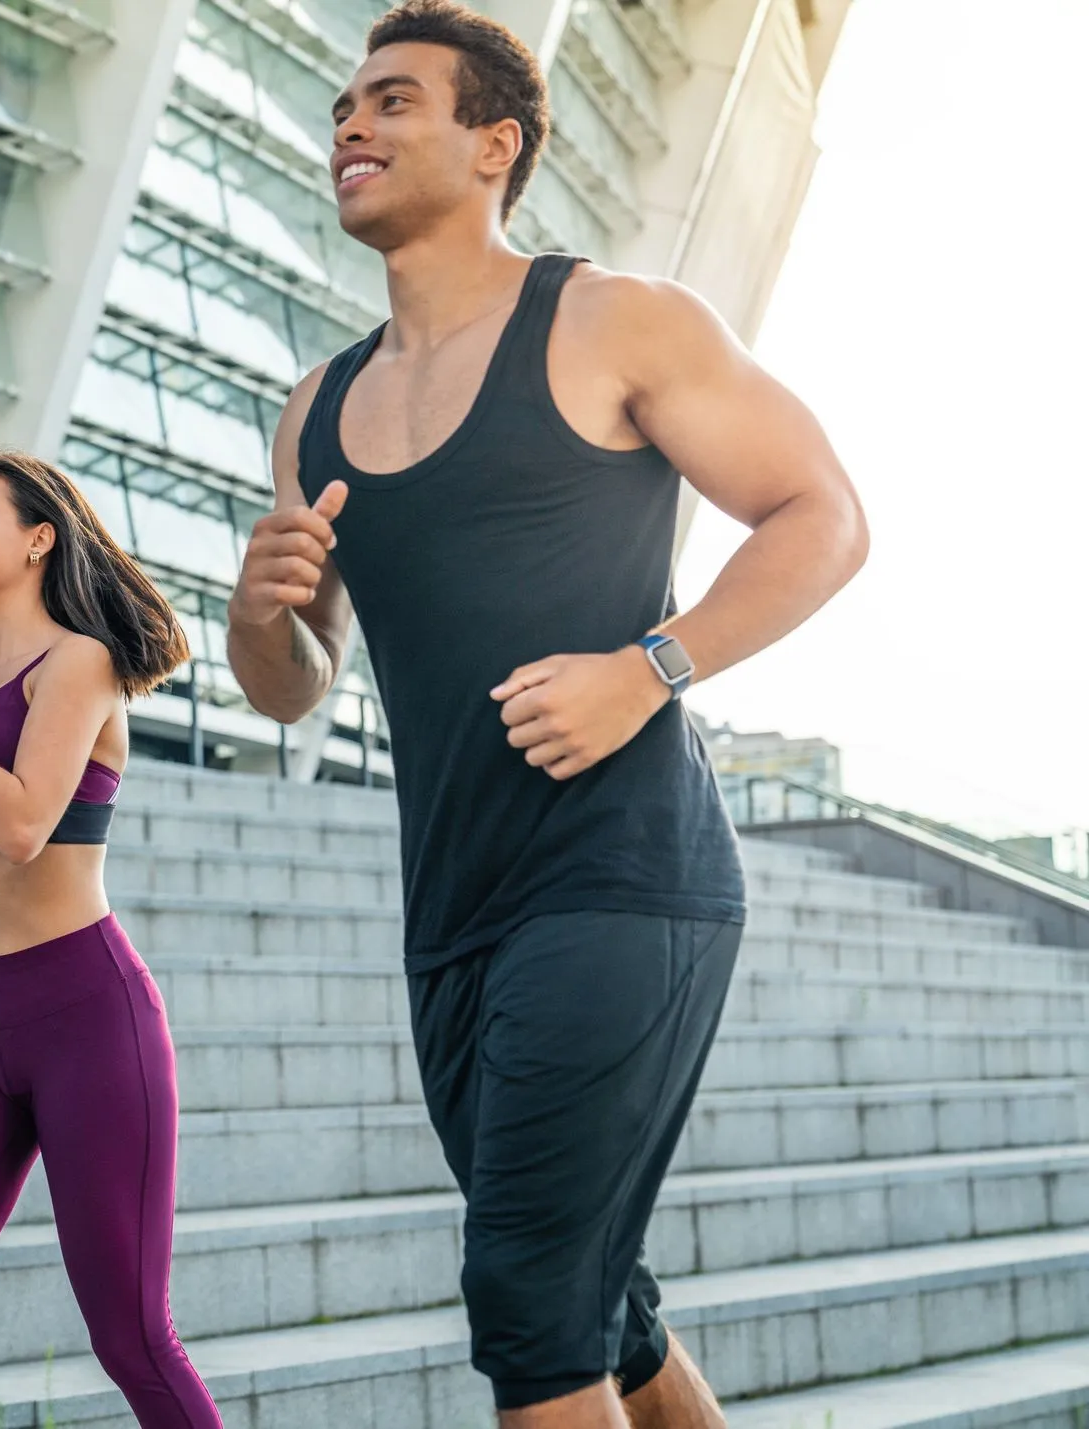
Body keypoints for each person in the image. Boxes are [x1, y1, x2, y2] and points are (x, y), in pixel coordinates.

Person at [225, 4, 869, 1426]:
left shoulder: (613, 321)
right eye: (343, 107)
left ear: (493, 144)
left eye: (393, 100)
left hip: (626, 881)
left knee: (527, 1301)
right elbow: (297, 682)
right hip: (453, 913)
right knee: (599, 1308)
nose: (350, 125)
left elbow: (822, 515)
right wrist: (258, 615)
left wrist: (650, 666)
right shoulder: (314, 408)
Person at [0, 449, 224, 1429]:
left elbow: (26, 822)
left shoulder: (78, 661)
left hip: (85, 1018)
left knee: (130, 1335)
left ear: (38, 537)